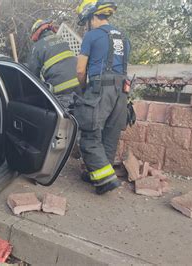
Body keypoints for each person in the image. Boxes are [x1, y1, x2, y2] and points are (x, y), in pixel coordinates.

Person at [74, 0, 131, 194]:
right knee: (110, 134)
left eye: (86, 21)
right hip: (122, 90)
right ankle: (96, 175)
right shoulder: (123, 37)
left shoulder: (92, 36)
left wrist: (83, 90)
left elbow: (81, 70)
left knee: (89, 134)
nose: (86, 26)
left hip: (101, 89)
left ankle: (106, 180)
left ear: (92, 17)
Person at [27, 19, 79, 107]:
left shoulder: (37, 46)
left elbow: (33, 75)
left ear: (36, 33)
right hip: (79, 85)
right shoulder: (62, 39)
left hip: (61, 90)